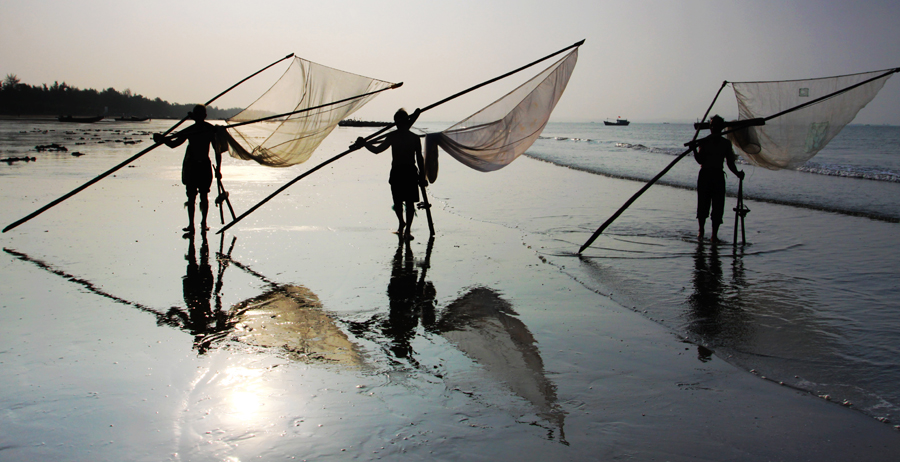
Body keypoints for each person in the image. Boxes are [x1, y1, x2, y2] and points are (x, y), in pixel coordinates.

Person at [354, 108, 426, 240]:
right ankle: (401, 223)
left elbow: (420, 158)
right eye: (396, 122)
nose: (399, 124)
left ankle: (408, 230)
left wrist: (422, 176)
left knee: (409, 203)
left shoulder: (414, 138)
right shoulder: (393, 136)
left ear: (405, 122)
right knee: (398, 202)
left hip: (410, 172)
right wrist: (365, 144)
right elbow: (377, 150)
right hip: (397, 172)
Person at [154, 105, 221, 235]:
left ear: (204, 116)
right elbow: (173, 143)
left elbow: (217, 150)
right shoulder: (192, 130)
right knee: (192, 197)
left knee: (203, 196)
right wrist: (162, 140)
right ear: (195, 116)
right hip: (193, 167)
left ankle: (203, 223)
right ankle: (192, 224)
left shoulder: (209, 130)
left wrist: (218, 169)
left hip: (203, 166)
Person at [693, 115, 745, 242]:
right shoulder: (704, 141)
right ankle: (701, 230)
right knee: (703, 205)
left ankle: (714, 235)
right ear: (710, 127)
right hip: (705, 175)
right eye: (711, 125)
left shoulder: (725, 144)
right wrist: (694, 149)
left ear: (721, 128)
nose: (713, 127)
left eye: (716, 125)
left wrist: (737, 173)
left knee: (718, 206)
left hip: (718, 176)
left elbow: (729, 163)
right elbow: (700, 160)